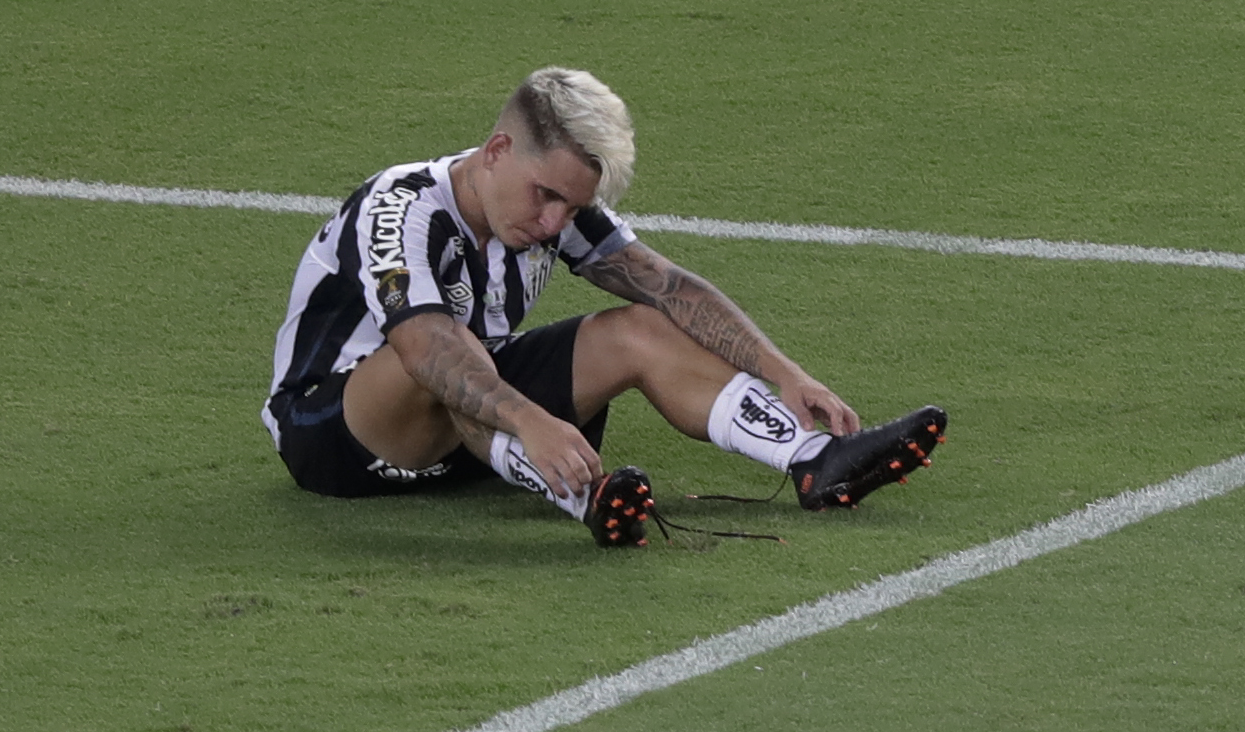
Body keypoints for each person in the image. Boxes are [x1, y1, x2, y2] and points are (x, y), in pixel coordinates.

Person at [262, 67, 946, 547]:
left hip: (475, 423)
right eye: (546, 196)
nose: (556, 221)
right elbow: (423, 350)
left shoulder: (553, 211)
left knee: (641, 328)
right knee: (445, 349)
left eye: (574, 206)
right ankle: (583, 497)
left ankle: (816, 462)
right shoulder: (401, 206)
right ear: (497, 151)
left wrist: (783, 370)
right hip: (339, 433)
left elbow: (667, 287)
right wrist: (534, 418)